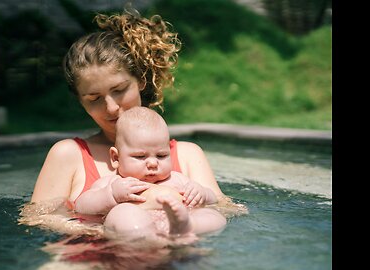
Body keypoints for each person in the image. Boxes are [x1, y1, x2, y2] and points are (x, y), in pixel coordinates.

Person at [29, 7, 238, 235]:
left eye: (119, 90)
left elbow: (228, 209)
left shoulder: (188, 155)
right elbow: (35, 220)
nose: (111, 107)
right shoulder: (68, 154)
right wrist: (108, 230)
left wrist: (191, 205)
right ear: (80, 101)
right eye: (94, 98)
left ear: (140, 81)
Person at [74, 107, 227, 239]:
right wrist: (111, 195)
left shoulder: (177, 179)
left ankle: (187, 226)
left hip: (178, 223)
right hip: (139, 229)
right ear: (116, 157)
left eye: (161, 156)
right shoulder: (113, 183)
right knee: (122, 213)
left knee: (213, 216)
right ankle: (146, 239)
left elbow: (214, 199)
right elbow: (81, 206)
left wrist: (202, 193)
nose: (153, 163)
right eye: (140, 156)